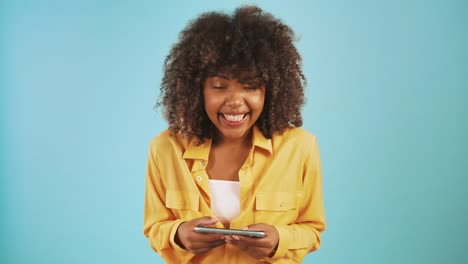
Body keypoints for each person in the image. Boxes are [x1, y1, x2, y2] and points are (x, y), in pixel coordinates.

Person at [143, 5, 326, 264]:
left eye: (250, 86)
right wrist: (179, 235)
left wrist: (278, 240)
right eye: (219, 86)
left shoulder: (301, 147)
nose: (235, 102)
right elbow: (155, 226)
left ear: (270, 90)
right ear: (197, 90)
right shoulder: (164, 148)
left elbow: (311, 229)